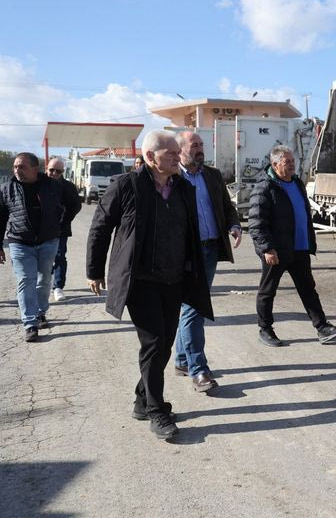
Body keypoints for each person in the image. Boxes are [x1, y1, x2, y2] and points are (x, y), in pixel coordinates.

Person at [86, 130, 213, 440]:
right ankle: (157, 411)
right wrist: (94, 271)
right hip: (139, 281)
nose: (176, 156)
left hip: (174, 279)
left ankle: (143, 400)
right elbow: (100, 227)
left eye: (175, 152)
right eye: (169, 152)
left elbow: (191, 232)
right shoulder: (127, 186)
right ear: (150, 158)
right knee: (155, 342)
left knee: (165, 344)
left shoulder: (182, 187)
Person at [249, 145, 336, 347]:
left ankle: (322, 327)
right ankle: (265, 330)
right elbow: (256, 222)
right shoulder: (265, 187)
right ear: (275, 165)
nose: (292, 165)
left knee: (308, 289)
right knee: (268, 291)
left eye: (293, 161)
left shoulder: (297, 183)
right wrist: (267, 248)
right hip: (277, 250)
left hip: (300, 248)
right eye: (287, 162)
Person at [173, 131, 242, 393]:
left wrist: (234, 224)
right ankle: (198, 370)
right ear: (180, 150)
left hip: (211, 249)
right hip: (186, 253)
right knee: (194, 308)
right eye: (194, 145)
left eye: (201, 144)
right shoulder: (173, 178)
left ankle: (181, 359)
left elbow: (226, 206)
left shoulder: (212, 175)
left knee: (191, 306)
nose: (200, 149)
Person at [0, 152, 79, 342]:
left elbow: (74, 205)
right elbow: (1, 218)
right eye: (16, 166)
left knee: (44, 280)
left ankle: (41, 312)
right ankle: (30, 324)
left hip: (48, 241)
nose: (17, 170)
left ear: (36, 169)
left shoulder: (55, 186)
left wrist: (60, 224)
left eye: (22, 166)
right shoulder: (7, 188)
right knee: (26, 280)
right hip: (19, 242)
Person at [46, 157, 82, 302]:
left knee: (59, 256)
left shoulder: (68, 187)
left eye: (58, 171)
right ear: (46, 168)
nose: (54, 173)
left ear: (63, 172)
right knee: (44, 258)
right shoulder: (38, 184)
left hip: (60, 229)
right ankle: (44, 283)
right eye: (51, 170)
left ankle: (58, 287)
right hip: (39, 230)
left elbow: (76, 206)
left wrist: (64, 220)